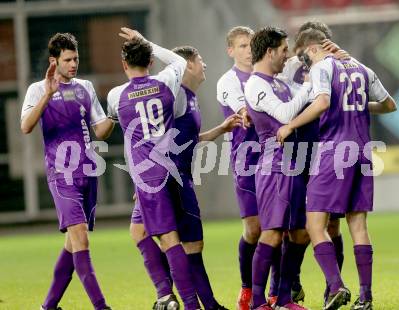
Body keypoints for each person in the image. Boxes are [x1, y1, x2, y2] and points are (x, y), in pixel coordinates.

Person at [277, 28, 397, 310]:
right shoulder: (362, 68)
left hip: (335, 151)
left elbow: (321, 103)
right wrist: (354, 107)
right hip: (364, 151)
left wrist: (290, 125)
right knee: (358, 225)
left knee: (314, 224)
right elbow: (390, 105)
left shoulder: (322, 66)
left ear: (313, 48)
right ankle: (365, 298)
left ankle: (336, 285)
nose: (304, 63)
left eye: (303, 56)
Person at [128, 44, 239, 310]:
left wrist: (219, 130)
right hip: (170, 179)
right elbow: (154, 139)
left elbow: (185, 140)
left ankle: (179, 297)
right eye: (200, 59)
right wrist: (144, 178)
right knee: (179, 242)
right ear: (187, 65)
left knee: (171, 239)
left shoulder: (189, 97)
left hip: (173, 176)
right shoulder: (175, 95)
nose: (205, 64)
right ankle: (176, 297)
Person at [106, 27, 200, 310]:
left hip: (148, 177)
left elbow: (120, 130)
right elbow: (179, 62)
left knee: (169, 238)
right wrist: (147, 42)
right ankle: (165, 295)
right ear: (150, 62)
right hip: (169, 168)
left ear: (124, 65)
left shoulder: (116, 95)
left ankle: (188, 304)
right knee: (138, 232)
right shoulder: (166, 82)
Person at [21, 32, 113, 310]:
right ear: (54, 61)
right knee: (81, 238)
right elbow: (25, 126)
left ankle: (48, 306)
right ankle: (101, 306)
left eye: (76, 59)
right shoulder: (38, 89)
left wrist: (116, 115)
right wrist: (48, 94)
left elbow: (100, 131)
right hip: (62, 176)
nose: (74, 64)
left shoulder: (85, 86)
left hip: (88, 173)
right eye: (68, 59)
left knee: (72, 245)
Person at [244, 26, 314, 310]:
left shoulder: (280, 83)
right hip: (275, 166)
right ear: (270, 51)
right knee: (272, 233)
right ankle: (258, 302)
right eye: (283, 50)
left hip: (296, 164)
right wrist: (309, 85)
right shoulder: (255, 84)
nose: (286, 55)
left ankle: (284, 298)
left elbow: (308, 98)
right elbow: (285, 115)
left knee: (301, 232)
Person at [216, 26, 282, 309]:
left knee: (277, 227)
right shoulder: (228, 81)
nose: (247, 50)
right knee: (254, 230)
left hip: (274, 158)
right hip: (246, 162)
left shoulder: (270, 78)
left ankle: (276, 291)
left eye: (250, 45)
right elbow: (247, 113)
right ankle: (246, 288)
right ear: (230, 50)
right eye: (241, 46)